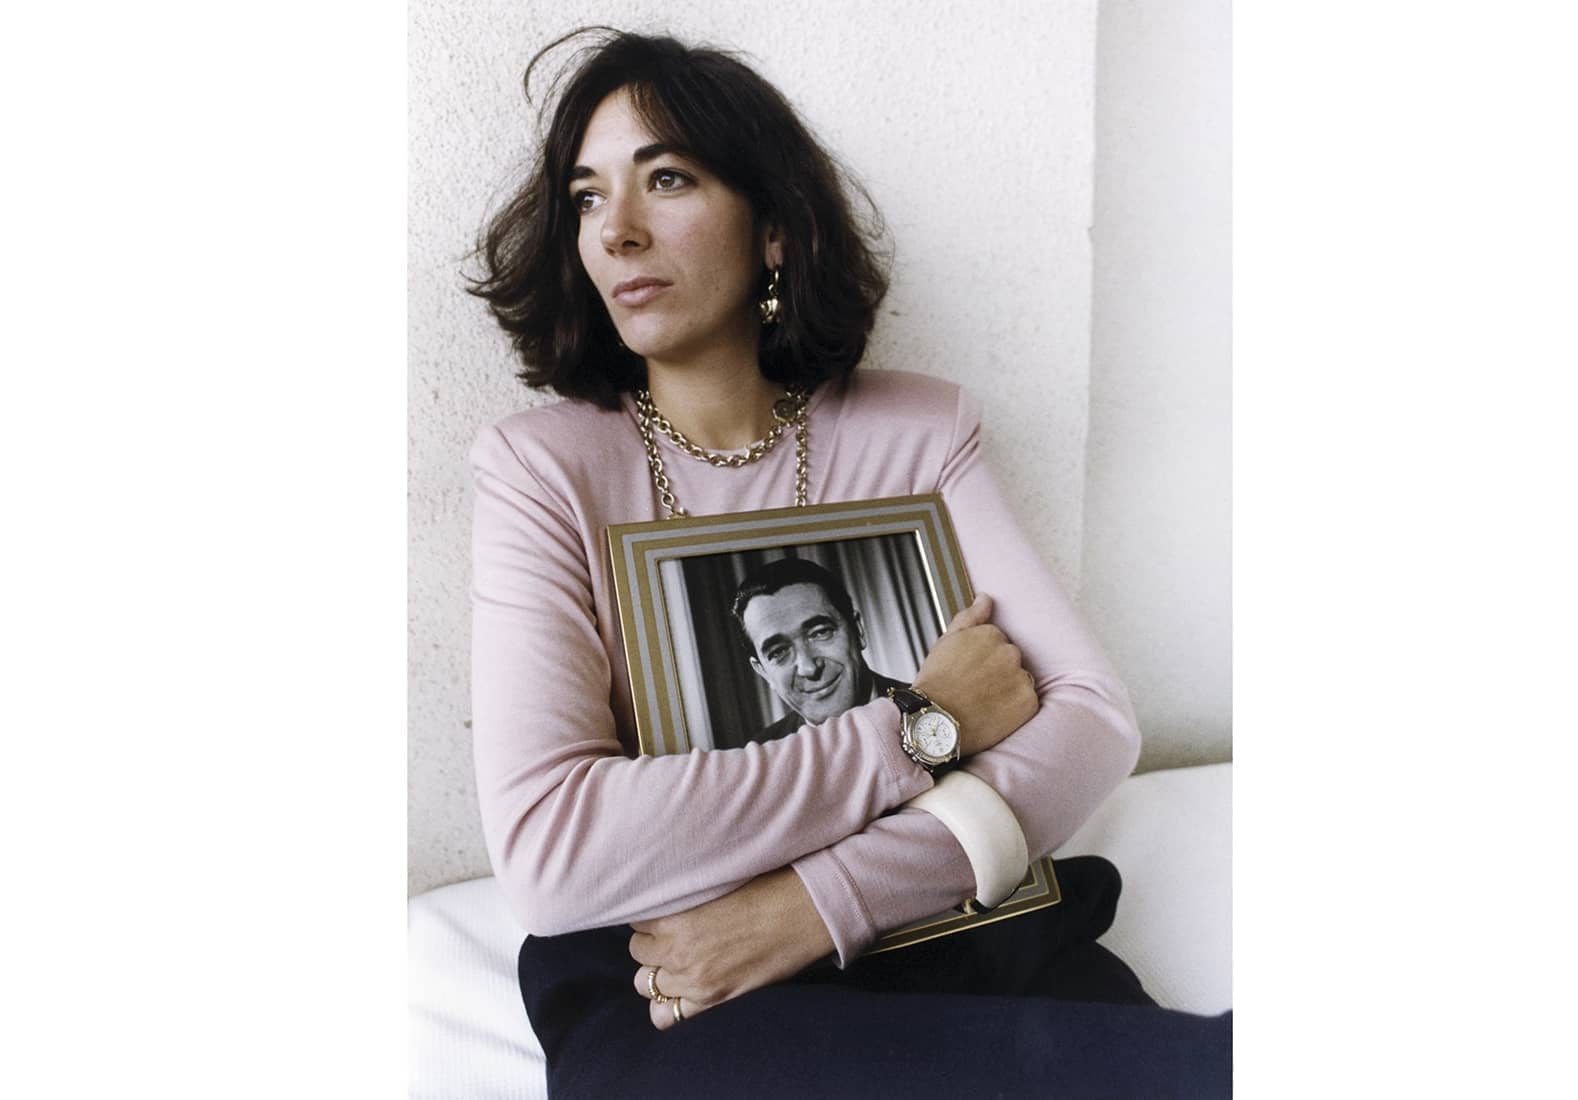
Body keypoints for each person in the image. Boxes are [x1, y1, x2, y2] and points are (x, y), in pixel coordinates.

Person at [466, 27, 1230, 1098]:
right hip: (678, 976)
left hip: (951, 927)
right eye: (586, 197)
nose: (618, 230)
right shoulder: (541, 469)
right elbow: (552, 849)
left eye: (667, 179)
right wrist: (926, 722)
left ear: (774, 230)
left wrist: (815, 905)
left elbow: (1092, 721)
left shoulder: (918, 430)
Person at [731, 556, 910, 744]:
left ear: (858, 630)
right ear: (763, 672)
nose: (809, 668)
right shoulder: (766, 754)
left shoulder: (927, 707)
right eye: (778, 652)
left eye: (820, 633)